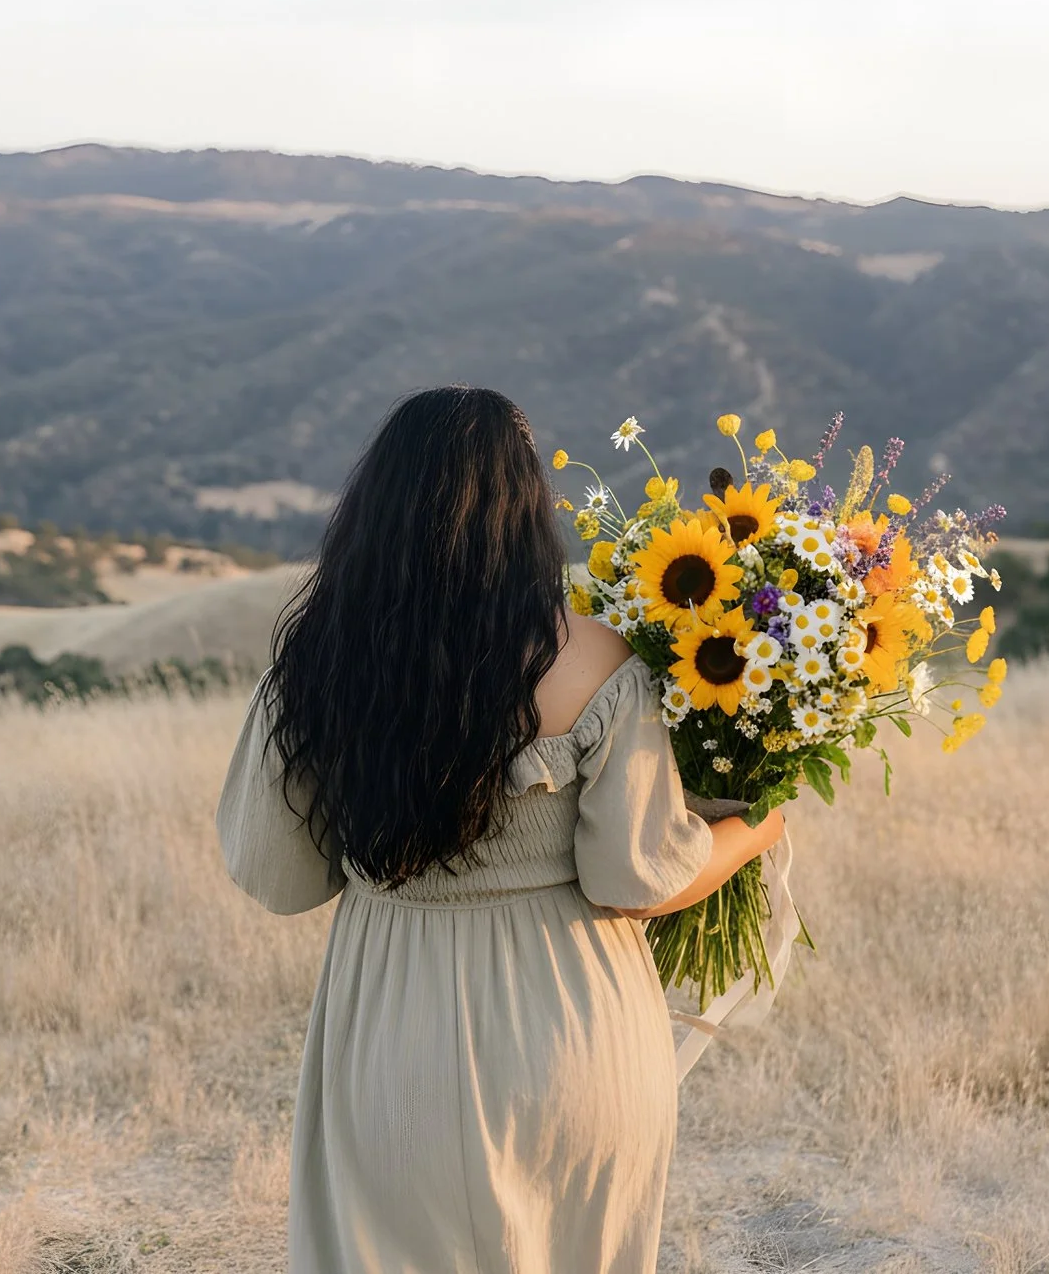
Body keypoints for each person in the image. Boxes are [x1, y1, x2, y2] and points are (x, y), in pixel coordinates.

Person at [218, 385, 785, 1272]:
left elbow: (278, 876)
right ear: (526, 509)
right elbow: (637, 880)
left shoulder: (316, 668)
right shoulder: (597, 658)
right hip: (577, 1032)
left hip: (392, 1037)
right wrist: (756, 826)